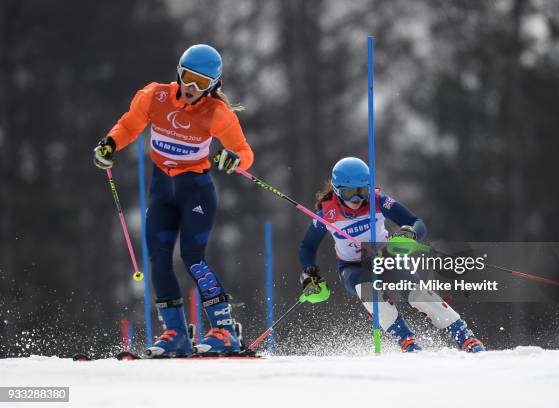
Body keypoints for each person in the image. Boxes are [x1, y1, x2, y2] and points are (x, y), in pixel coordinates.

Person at [93, 44, 254, 357]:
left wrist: (234, 160)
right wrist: (110, 143)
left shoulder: (217, 113)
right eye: (189, 78)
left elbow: (245, 152)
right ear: (179, 73)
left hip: (196, 189)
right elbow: (129, 125)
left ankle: (225, 329)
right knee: (158, 258)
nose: (193, 88)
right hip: (162, 188)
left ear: (214, 86)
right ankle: (176, 333)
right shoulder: (155, 96)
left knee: (193, 257)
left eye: (202, 83)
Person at [298, 157, 485, 352]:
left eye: (361, 191)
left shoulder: (377, 202)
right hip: (352, 267)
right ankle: (407, 341)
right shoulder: (327, 215)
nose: (356, 200)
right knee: (368, 292)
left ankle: (466, 338)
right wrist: (310, 273)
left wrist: (410, 232)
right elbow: (307, 247)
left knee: (417, 293)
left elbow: (416, 222)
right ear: (336, 190)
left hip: (384, 256)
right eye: (349, 193)